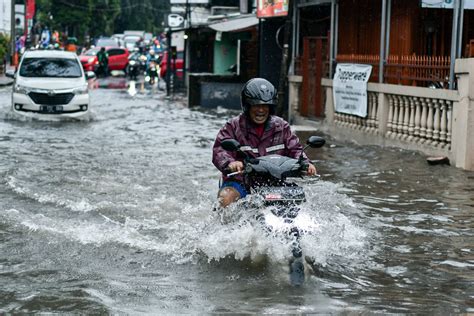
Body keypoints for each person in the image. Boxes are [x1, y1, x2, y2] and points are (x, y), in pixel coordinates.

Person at [212, 78, 317, 208]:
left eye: (265, 106)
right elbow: (220, 150)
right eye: (256, 105)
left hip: (274, 182)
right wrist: (231, 163)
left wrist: (306, 164)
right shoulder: (233, 126)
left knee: (300, 201)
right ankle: (223, 227)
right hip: (241, 183)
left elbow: (295, 149)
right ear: (247, 106)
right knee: (225, 198)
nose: (261, 110)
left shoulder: (282, 126)